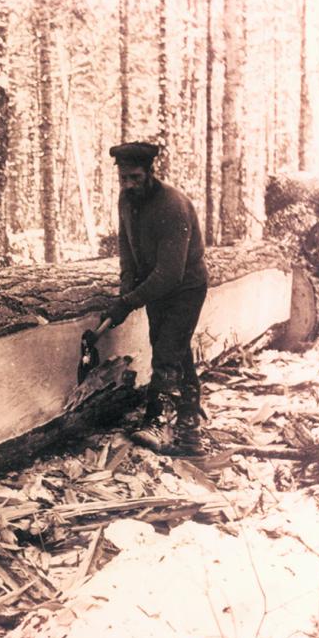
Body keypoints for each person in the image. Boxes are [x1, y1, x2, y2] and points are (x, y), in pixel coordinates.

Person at [98, 142, 209, 454]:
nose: (129, 185)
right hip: (155, 285)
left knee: (166, 352)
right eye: (123, 179)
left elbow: (171, 273)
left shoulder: (172, 206)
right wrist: (124, 294)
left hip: (185, 287)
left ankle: (156, 421)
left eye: (135, 177)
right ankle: (190, 426)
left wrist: (130, 301)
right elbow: (127, 252)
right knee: (174, 348)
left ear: (149, 173)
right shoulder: (126, 201)